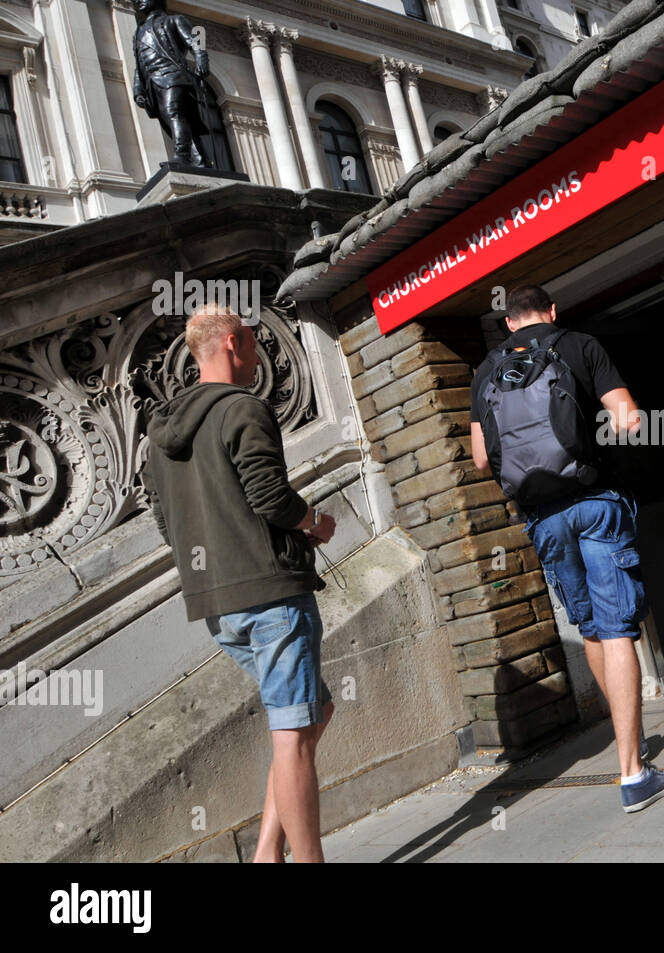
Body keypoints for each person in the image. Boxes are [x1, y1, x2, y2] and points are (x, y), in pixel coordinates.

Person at [469, 285, 664, 813]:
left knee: (589, 626)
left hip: (543, 518)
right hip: (595, 502)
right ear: (551, 312)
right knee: (617, 628)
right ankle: (633, 772)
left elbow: (480, 460)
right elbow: (629, 418)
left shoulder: (485, 371)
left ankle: (628, 737)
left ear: (508, 323)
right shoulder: (579, 345)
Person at [142, 303, 337, 862]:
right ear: (231, 344)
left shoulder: (158, 436)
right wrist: (316, 525)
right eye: (252, 343)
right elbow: (271, 498)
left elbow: (165, 524)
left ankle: (267, 852)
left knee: (312, 714)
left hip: (215, 603)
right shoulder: (243, 409)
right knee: (295, 736)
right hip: (270, 593)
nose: (258, 354)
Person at [132, 0, 211, 167]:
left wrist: (202, 60)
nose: (138, 1)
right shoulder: (138, 31)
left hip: (173, 75)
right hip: (153, 83)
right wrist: (138, 90)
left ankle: (182, 156)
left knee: (173, 112)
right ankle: (200, 159)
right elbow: (138, 64)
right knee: (172, 120)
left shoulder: (175, 20)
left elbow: (196, 40)